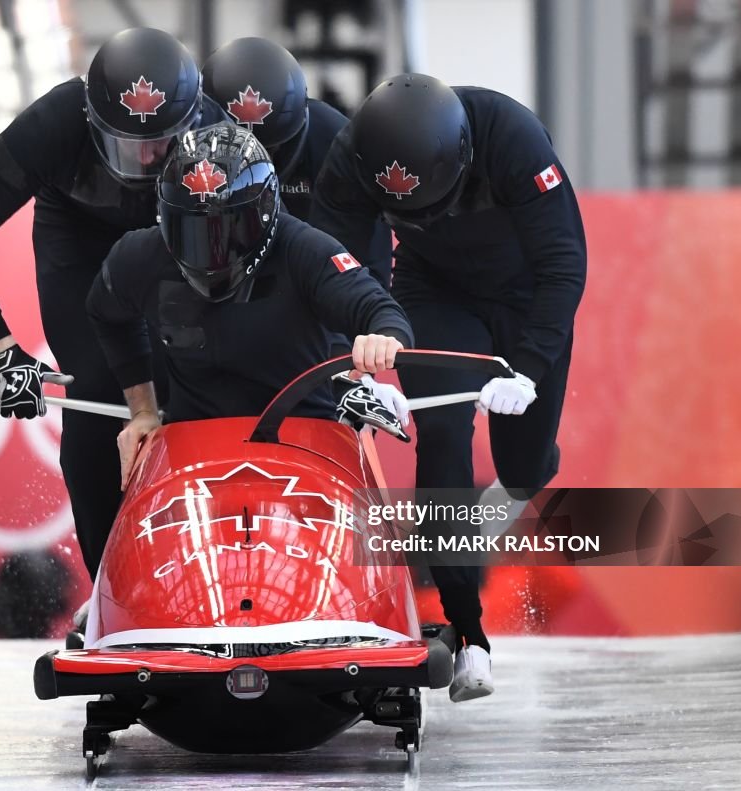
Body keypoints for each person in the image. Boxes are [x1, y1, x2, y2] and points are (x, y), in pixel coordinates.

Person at [310, 74, 588, 701]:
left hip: (525, 298)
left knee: (523, 467)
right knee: (441, 434)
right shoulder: (348, 162)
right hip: (433, 293)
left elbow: (564, 262)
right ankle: (469, 634)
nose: (427, 217)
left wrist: (530, 367)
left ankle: (475, 516)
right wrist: (348, 374)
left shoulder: (511, 136)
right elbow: (327, 274)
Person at [0, 29, 229, 587]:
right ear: (92, 124)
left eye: (160, 144)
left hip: (175, 242)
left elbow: (269, 248)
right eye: (125, 144)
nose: (143, 159)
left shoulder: (217, 139)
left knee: (193, 390)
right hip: (79, 243)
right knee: (96, 395)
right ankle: (113, 588)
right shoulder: (55, 124)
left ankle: (215, 577)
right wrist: (1, 350)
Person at [85, 123, 413, 489]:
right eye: (192, 233)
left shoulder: (305, 249)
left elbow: (378, 308)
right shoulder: (140, 257)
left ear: (265, 215)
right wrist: (143, 411)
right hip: (192, 446)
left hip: (304, 439)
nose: (211, 252)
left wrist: (384, 338)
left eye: (229, 230)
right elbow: (105, 313)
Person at [201, 37, 392, 286]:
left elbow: (367, 265)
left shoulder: (336, 145)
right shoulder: (184, 147)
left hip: (314, 287)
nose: (255, 165)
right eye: (240, 156)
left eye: (268, 151)